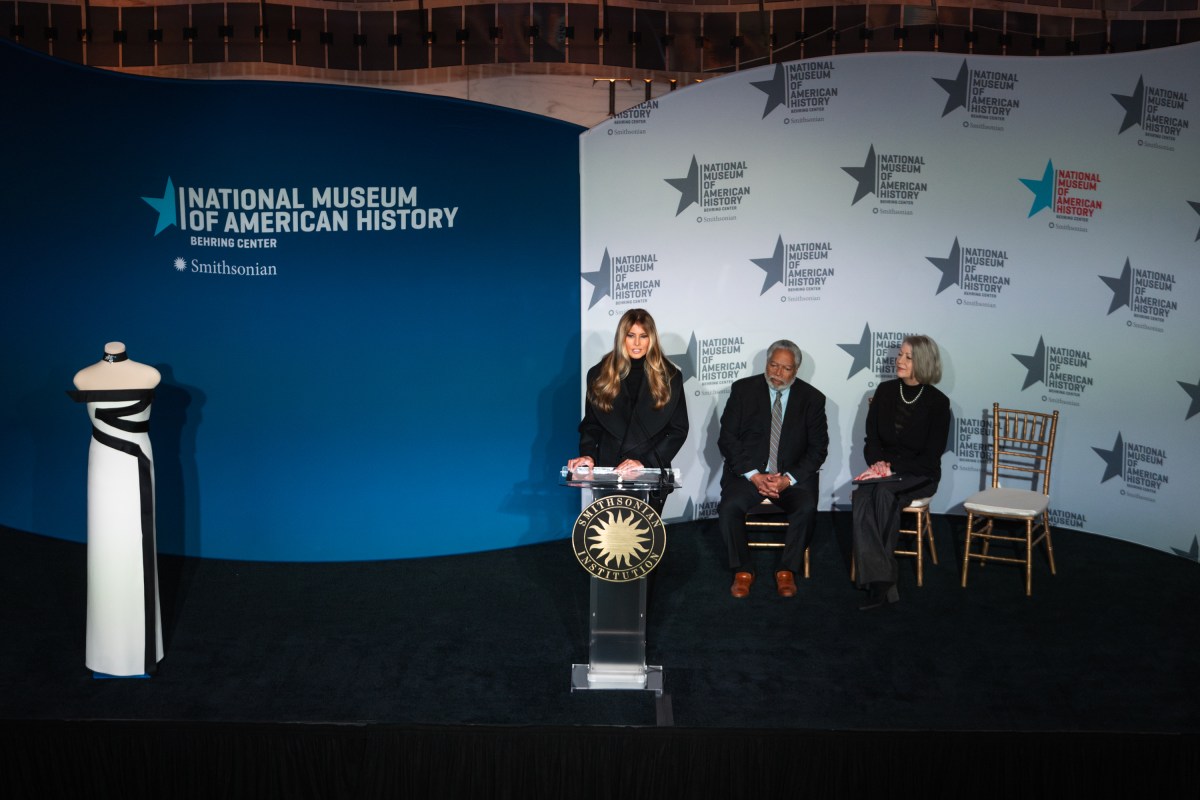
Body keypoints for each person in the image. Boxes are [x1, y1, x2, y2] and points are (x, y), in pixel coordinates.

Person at [68, 342, 165, 676]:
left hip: (136, 461)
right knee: (107, 551)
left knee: (136, 545)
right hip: (104, 466)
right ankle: (106, 652)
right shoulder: (83, 376)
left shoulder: (150, 374)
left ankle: (139, 650)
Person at [716, 340, 828, 598]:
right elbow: (728, 438)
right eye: (773, 365)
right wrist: (754, 475)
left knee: (806, 507)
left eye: (785, 368)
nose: (777, 373)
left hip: (791, 479)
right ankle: (742, 570)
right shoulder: (743, 390)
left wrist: (787, 479)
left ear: (796, 370)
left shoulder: (812, 399)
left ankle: (787, 570)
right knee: (729, 507)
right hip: (750, 475)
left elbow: (818, 449)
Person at [852, 334, 950, 611]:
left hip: (920, 473)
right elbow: (872, 440)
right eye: (900, 355)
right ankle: (884, 579)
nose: (900, 360)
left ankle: (876, 581)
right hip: (885, 472)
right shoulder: (884, 392)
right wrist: (878, 465)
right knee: (862, 497)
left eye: (908, 357)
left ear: (923, 362)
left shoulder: (938, 403)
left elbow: (931, 456)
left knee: (882, 493)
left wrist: (891, 468)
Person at [567, 308, 688, 513]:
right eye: (631, 336)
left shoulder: (670, 377)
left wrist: (645, 462)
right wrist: (588, 455)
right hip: (610, 468)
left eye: (643, 336)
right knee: (611, 534)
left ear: (652, 339)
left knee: (644, 538)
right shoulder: (599, 374)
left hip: (649, 470)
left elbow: (678, 430)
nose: (637, 343)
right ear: (622, 337)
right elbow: (591, 424)